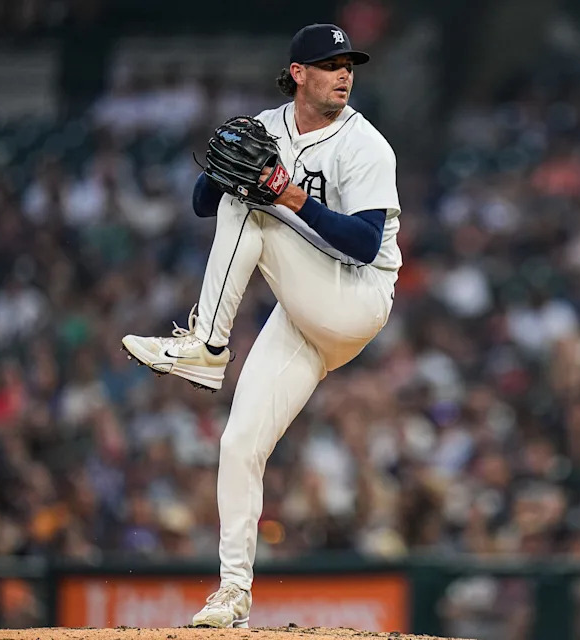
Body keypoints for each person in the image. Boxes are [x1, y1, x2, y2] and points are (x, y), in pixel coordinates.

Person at [121, 23, 401, 628]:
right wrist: (226, 166)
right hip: (300, 310)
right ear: (298, 73)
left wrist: (287, 195)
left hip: (354, 298)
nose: (344, 74)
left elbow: (364, 243)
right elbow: (203, 201)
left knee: (255, 202)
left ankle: (206, 346)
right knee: (239, 443)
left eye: (349, 63)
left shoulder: (367, 146)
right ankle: (232, 593)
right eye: (330, 64)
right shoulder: (266, 127)